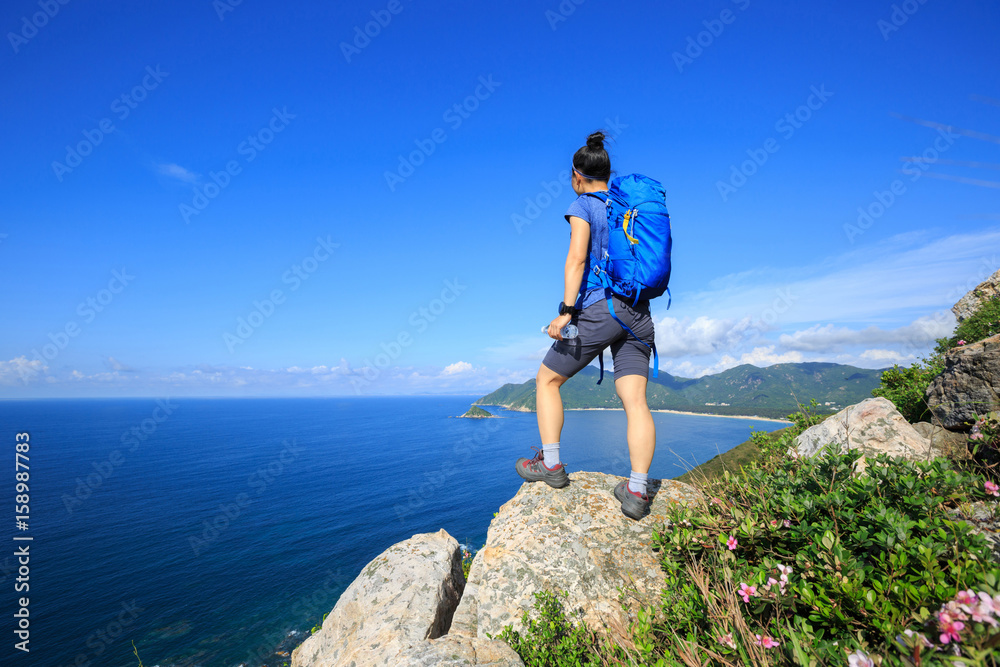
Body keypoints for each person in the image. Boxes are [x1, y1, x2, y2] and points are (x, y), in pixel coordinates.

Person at [513, 131, 658, 520]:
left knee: (547, 380)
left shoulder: (584, 205)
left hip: (601, 309)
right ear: (608, 173)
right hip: (639, 314)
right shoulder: (627, 204)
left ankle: (552, 465)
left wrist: (566, 310)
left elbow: (577, 260)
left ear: (577, 175)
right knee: (636, 402)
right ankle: (637, 490)